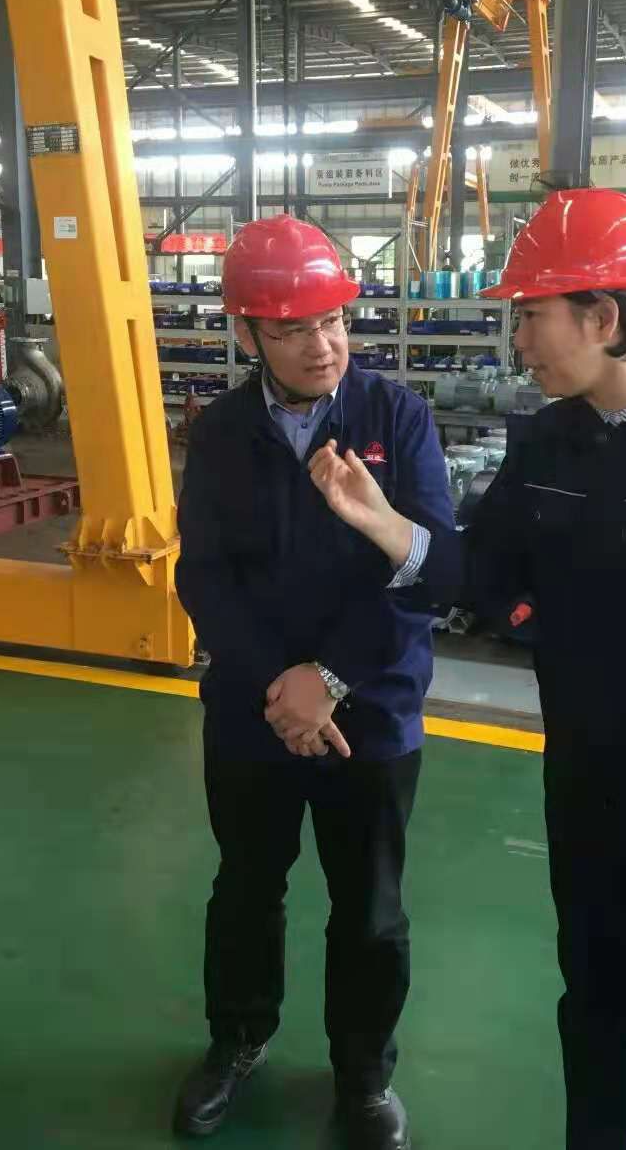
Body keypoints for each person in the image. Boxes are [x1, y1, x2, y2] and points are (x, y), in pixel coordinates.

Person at [309, 188, 626, 1149]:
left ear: (603, 316)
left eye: (531, 314)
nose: (518, 340)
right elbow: (483, 571)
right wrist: (385, 524)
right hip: (588, 795)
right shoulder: (550, 442)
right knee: (592, 1006)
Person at [173, 215, 454, 1149]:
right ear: (247, 332)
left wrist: (330, 677)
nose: (322, 344)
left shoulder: (395, 419)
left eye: (332, 319)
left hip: (371, 710)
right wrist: (282, 687)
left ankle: (363, 1075)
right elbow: (205, 576)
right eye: (292, 328)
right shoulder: (222, 433)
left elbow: (423, 571)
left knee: (369, 906)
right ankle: (237, 1038)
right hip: (255, 713)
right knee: (246, 887)